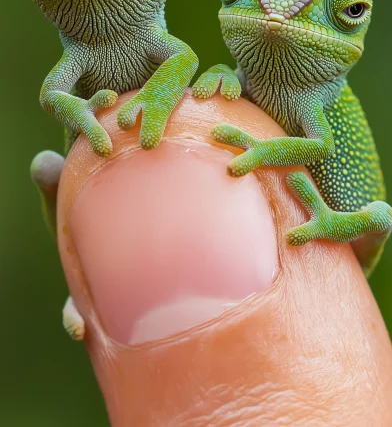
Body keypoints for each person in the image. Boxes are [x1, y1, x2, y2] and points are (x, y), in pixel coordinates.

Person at [57, 90, 392, 426]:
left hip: (349, 240)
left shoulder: (314, 97)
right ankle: (77, 285)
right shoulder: (253, 79)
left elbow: (376, 212)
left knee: (380, 216)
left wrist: (265, 155)